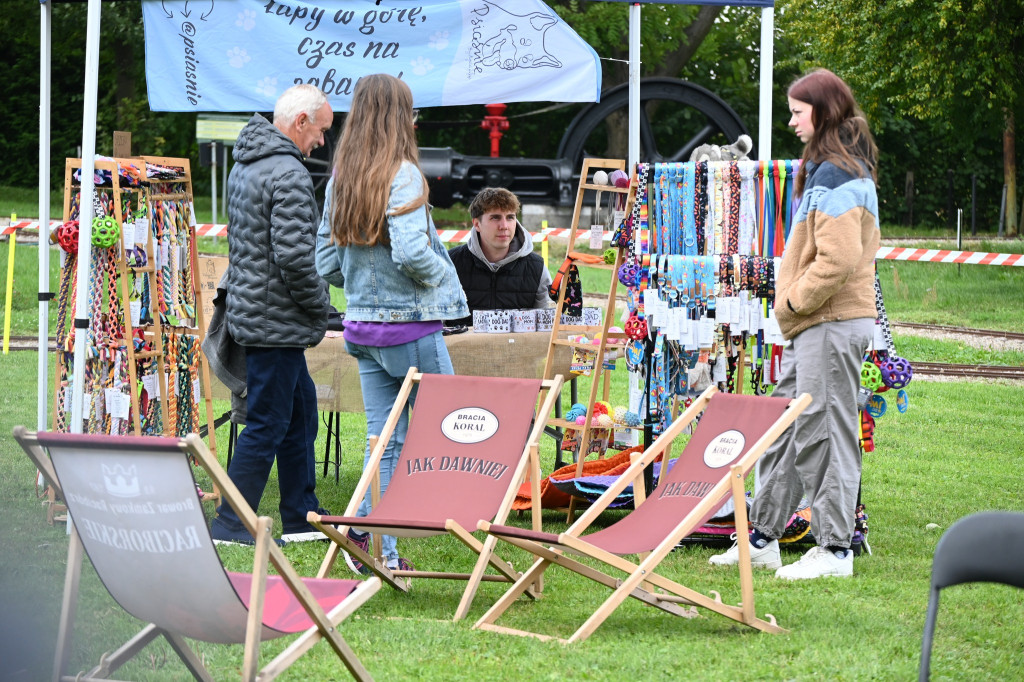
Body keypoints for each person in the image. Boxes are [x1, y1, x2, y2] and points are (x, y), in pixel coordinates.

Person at [710, 68, 880, 579]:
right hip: (818, 324)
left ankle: (834, 550)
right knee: (784, 426)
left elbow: (839, 258)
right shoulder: (835, 167)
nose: (791, 122)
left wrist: (793, 304)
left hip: (828, 321)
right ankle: (761, 537)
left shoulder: (837, 172)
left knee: (824, 432)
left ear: (823, 112)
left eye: (797, 112)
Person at [315, 74, 469, 573]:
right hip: (409, 325)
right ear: (399, 117)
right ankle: (473, 518)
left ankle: (371, 540)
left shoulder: (344, 174)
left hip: (361, 325)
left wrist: (360, 281)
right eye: (412, 111)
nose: (417, 120)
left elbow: (326, 261)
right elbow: (409, 250)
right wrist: (438, 276)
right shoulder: (402, 172)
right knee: (461, 428)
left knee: (384, 439)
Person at [209, 83, 333, 545]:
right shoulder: (290, 173)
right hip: (276, 323)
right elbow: (297, 260)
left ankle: (301, 517)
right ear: (300, 122)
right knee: (267, 422)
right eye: (320, 131)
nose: (321, 142)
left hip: (255, 313)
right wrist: (321, 307)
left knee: (300, 412)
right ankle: (230, 523)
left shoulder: (246, 166)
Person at [446, 187, 552, 326]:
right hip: (460, 347)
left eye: (510, 217)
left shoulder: (536, 267)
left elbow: (543, 328)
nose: (504, 226)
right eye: (495, 217)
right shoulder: (450, 263)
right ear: (477, 224)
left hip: (518, 348)